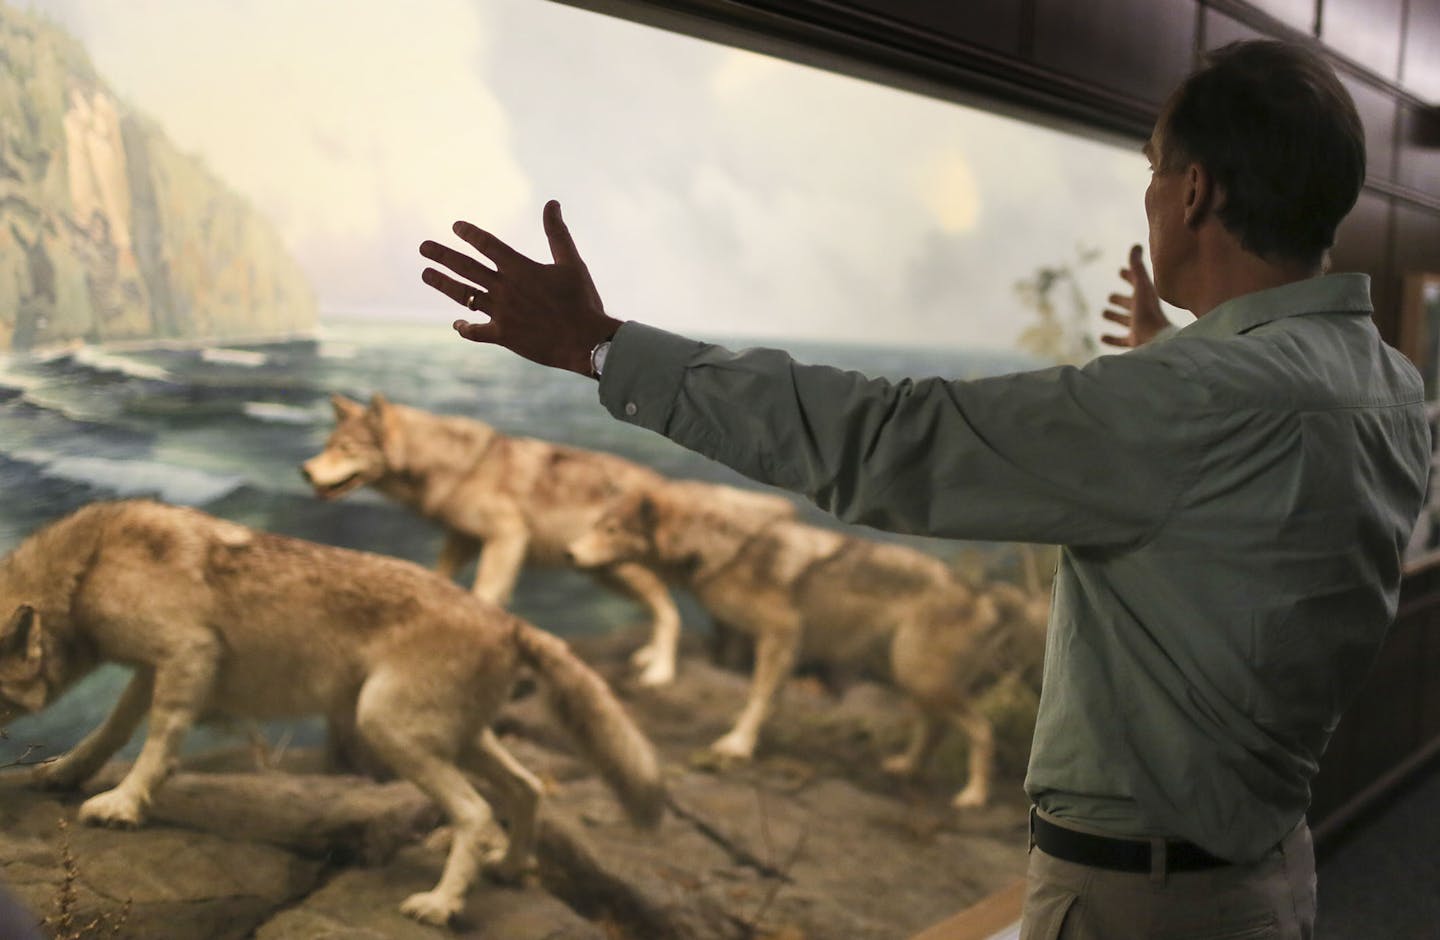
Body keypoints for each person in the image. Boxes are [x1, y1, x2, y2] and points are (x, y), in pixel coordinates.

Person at [418, 40, 1430, 940]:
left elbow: (888, 438)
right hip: (1269, 879)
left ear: (1195, 192)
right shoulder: (1386, 386)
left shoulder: (1193, 407)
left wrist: (599, 346)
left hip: (1143, 908)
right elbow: (1250, 524)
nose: (1155, 198)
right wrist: (1175, 363)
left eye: (1155, 177)